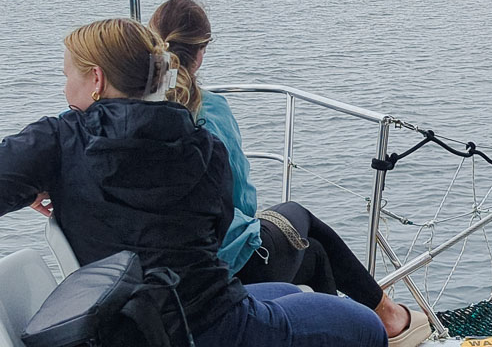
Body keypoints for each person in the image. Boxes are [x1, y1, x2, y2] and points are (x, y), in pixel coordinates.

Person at [0, 18, 388, 347]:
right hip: (212, 325)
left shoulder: (56, 141)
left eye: (67, 76)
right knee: (367, 327)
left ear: (96, 79)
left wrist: (41, 184)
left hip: (129, 327)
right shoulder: (201, 142)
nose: (66, 88)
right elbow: (218, 232)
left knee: (288, 291)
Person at [150, 0, 431, 347]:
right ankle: (387, 315)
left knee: (313, 252)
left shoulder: (136, 115)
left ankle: (362, 325)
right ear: (202, 50)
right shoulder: (209, 111)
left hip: (164, 277)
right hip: (221, 271)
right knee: (301, 216)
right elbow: (240, 204)